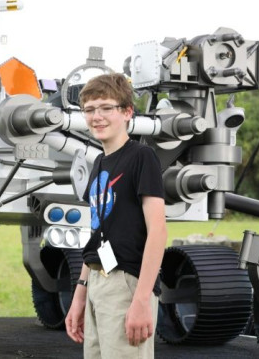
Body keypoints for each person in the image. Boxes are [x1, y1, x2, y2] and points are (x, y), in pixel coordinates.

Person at [65, 72, 167, 358]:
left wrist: (141, 300)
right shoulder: (99, 162)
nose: (97, 116)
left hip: (127, 283)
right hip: (99, 280)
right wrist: (80, 294)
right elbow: (98, 234)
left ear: (127, 112)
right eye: (89, 110)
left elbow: (158, 231)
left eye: (106, 108)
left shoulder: (141, 157)